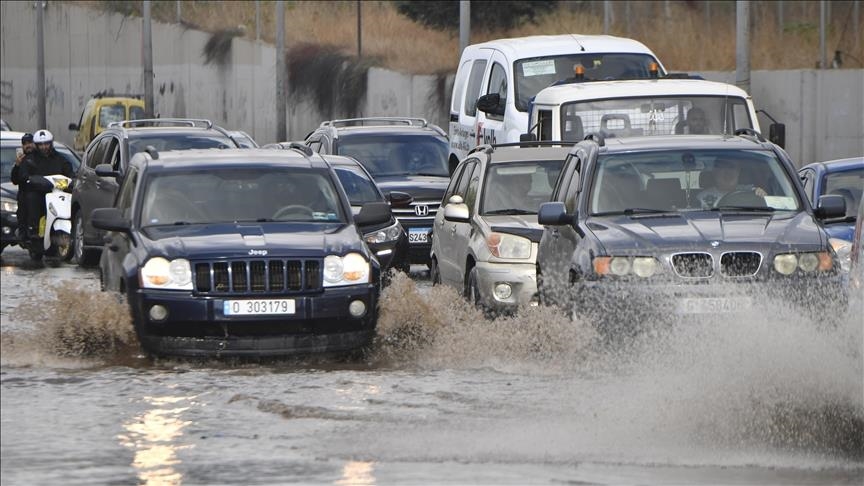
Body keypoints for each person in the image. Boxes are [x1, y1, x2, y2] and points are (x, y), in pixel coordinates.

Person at [17, 129, 75, 243]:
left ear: (51, 143)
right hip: (39, 193)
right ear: (36, 145)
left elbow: (69, 172)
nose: (44, 147)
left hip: (57, 193)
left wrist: (73, 179)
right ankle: (33, 229)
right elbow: (22, 175)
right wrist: (30, 179)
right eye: (41, 144)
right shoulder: (29, 159)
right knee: (32, 197)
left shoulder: (60, 159)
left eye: (46, 143)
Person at [697, 157, 767, 208]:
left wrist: (761, 194)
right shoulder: (702, 197)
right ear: (715, 172)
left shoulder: (750, 192)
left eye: (731, 167)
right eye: (723, 168)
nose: (728, 172)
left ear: (738, 172)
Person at [10, 133, 36, 239]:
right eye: (24, 144)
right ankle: (23, 233)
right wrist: (17, 165)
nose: (27, 145)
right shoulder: (21, 161)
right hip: (24, 194)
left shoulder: (39, 158)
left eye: (29, 142)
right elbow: (14, 180)